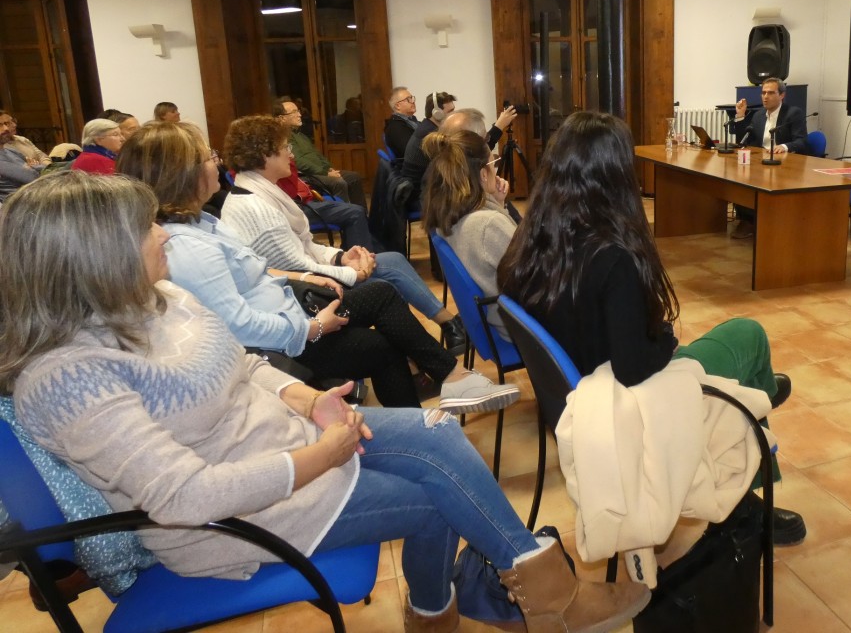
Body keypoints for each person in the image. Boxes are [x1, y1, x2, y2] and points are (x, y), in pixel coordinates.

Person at [0, 171, 651, 631]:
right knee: (435, 499)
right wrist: (325, 452)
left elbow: (246, 365)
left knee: (441, 436)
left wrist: (309, 398)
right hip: (226, 522)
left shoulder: (158, 300)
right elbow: (186, 499)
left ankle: (485, 603)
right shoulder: (67, 378)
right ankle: (515, 605)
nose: (165, 235)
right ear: (93, 257)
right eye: (146, 229)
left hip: (285, 440)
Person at [498, 111, 806, 546]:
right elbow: (633, 367)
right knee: (748, 333)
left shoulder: (527, 244)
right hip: (626, 398)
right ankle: (750, 502)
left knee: (745, 373)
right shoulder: (611, 258)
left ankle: (756, 396)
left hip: (577, 394)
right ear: (616, 174)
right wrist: (666, 339)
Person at [117, 121, 514, 415]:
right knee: (381, 306)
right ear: (181, 173)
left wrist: (317, 273)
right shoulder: (188, 243)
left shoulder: (202, 221)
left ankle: (428, 406)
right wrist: (314, 323)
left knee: (381, 321)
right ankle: (445, 379)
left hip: (291, 309)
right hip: (285, 339)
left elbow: (270, 268)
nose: (216, 164)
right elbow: (237, 326)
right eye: (207, 157)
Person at [423, 129, 515, 340]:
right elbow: (532, 275)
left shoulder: (450, 213)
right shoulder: (488, 224)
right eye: (494, 164)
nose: (496, 169)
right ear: (483, 174)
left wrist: (498, 204)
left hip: (496, 317)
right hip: (520, 327)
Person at [728, 77, 808, 239]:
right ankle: (748, 220)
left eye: (771, 93)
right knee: (736, 178)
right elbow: (745, 140)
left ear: (782, 95)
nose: (765, 97)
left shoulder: (793, 113)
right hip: (761, 163)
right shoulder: (758, 116)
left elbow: (802, 141)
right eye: (763, 93)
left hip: (784, 166)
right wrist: (741, 116)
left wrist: (784, 146)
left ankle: (758, 221)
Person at [273, 99, 366, 213]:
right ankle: (342, 216)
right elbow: (299, 162)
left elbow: (316, 154)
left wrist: (328, 168)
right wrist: (325, 172)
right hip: (306, 176)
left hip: (319, 172)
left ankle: (362, 215)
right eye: (294, 112)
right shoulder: (284, 137)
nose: (300, 114)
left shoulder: (299, 134)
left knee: (353, 177)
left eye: (299, 111)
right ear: (282, 118)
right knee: (338, 182)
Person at [0, 108, 45, 202]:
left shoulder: (11, 151)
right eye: (0, 125)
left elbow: (39, 168)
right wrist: (31, 168)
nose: (6, 129)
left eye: (6, 124)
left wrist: (32, 167)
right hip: (22, 205)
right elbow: (33, 177)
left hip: (37, 195)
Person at [384, 86, 419, 160]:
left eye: (412, 98)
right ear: (397, 106)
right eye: (408, 99)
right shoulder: (396, 127)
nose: (413, 101)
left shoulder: (412, 121)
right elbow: (412, 153)